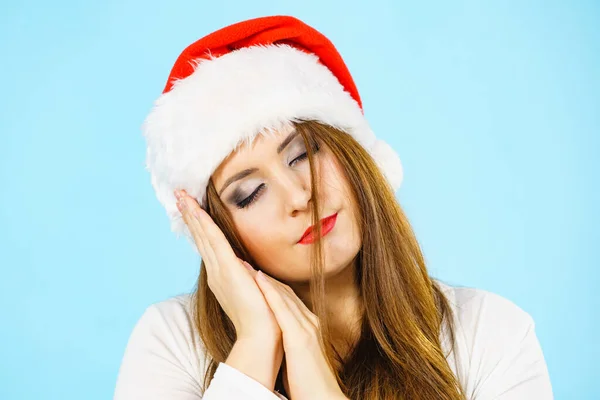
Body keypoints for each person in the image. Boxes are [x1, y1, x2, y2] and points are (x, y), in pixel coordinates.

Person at [113, 15, 553, 400]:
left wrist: (318, 385)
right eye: (249, 193)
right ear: (216, 232)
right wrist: (255, 344)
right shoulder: (171, 341)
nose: (300, 197)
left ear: (354, 154)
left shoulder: (492, 334)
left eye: (303, 154)